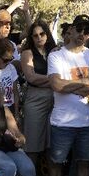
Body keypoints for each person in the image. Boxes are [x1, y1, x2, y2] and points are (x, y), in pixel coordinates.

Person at [47, 20, 89, 176]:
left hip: (87, 121)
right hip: (61, 121)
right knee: (56, 163)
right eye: (79, 30)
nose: (82, 34)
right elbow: (55, 84)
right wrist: (83, 82)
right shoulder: (56, 56)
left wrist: (70, 85)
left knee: (84, 163)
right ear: (71, 30)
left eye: (87, 31)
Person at [20, 20, 56, 166]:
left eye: (42, 34)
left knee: (52, 144)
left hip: (55, 98)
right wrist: (55, 79)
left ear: (47, 34)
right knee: (32, 145)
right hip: (35, 98)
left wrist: (51, 81)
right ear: (31, 38)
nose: (39, 37)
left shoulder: (55, 51)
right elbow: (31, 77)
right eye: (35, 35)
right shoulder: (27, 53)